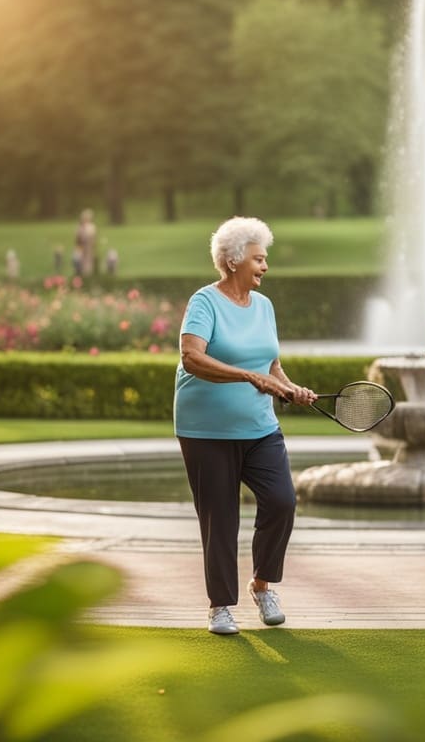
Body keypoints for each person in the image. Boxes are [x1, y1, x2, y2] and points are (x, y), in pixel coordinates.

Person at [174, 216, 317, 635]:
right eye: (259, 258)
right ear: (235, 260)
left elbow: (271, 363)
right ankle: (220, 606)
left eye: (265, 258)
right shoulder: (205, 301)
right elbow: (192, 358)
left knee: (283, 501)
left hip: (259, 427)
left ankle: (262, 584)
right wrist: (247, 376)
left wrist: (289, 387)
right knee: (220, 518)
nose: (265, 266)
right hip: (206, 430)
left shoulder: (265, 307)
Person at [74, 209, 97, 275]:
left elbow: (93, 237)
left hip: (89, 246)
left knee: (88, 260)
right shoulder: (79, 227)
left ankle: (88, 273)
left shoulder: (91, 227)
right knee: (79, 259)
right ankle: (79, 273)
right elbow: (77, 238)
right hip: (81, 246)